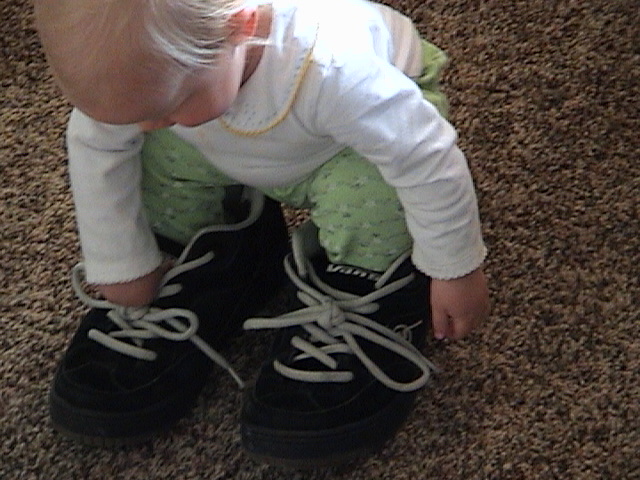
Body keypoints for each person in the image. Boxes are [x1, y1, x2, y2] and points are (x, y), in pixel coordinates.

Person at [34, 0, 490, 466]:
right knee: (152, 152)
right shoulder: (150, 80)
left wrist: (454, 267)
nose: (147, 124)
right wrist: (121, 262)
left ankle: (366, 281)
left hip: (347, 148)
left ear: (240, 28)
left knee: (377, 194)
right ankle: (225, 250)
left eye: (167, 106)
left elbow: (426, 159)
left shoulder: (335, 67)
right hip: (219, 141)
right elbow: (97, 145)